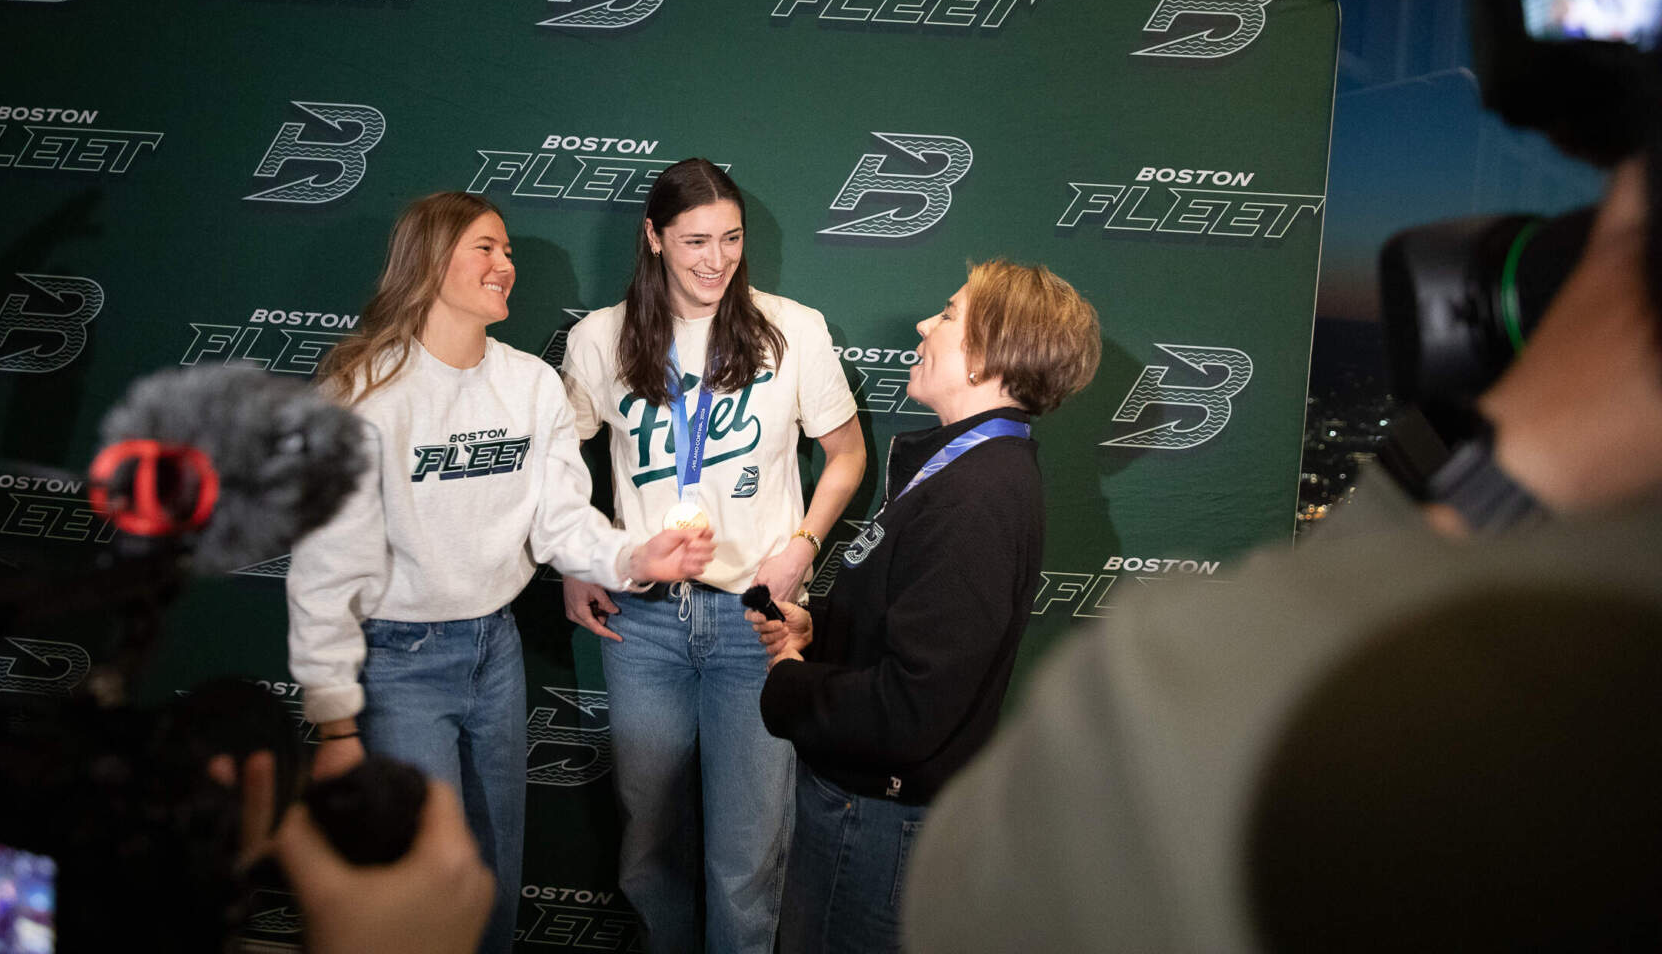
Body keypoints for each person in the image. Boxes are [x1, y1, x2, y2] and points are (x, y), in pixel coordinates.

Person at [900, 166, 1662, 952]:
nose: (926, 324)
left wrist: (1501, 457)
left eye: (950, 314)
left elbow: (972, 897)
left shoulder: (1173, 673)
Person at [286, 190, 715, 953]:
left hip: (494, 649)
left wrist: (632, 556)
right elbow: (324, 567)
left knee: (489, 878)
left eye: (509, 250)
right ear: (428, 260)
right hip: (395, 660)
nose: (506, 265)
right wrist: (336, 721)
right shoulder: (364, 392)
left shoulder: (530, 384)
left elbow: (561, 520)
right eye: (485, 247)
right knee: (419, 890)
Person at [747, 261, 1100, 954]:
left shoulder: (976, 497)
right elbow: (915, 632)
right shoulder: (971, 470)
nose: (922, 325)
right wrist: (818, 635)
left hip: (875, 820)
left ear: (989, 353)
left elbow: (914, 708)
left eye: (946, 314)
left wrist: (791, 676)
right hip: (870, 810)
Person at [559, 158, 867, 954]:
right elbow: (557, 468)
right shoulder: (600, 336)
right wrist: (575, 563)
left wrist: (802, 546)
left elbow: (847, 454)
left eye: (730, 239)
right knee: (649, 846)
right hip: (644, 626)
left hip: (753, 624)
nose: (715, 259)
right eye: (695, 240)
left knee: (748, 857)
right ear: (653, 238)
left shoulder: (792, 327)